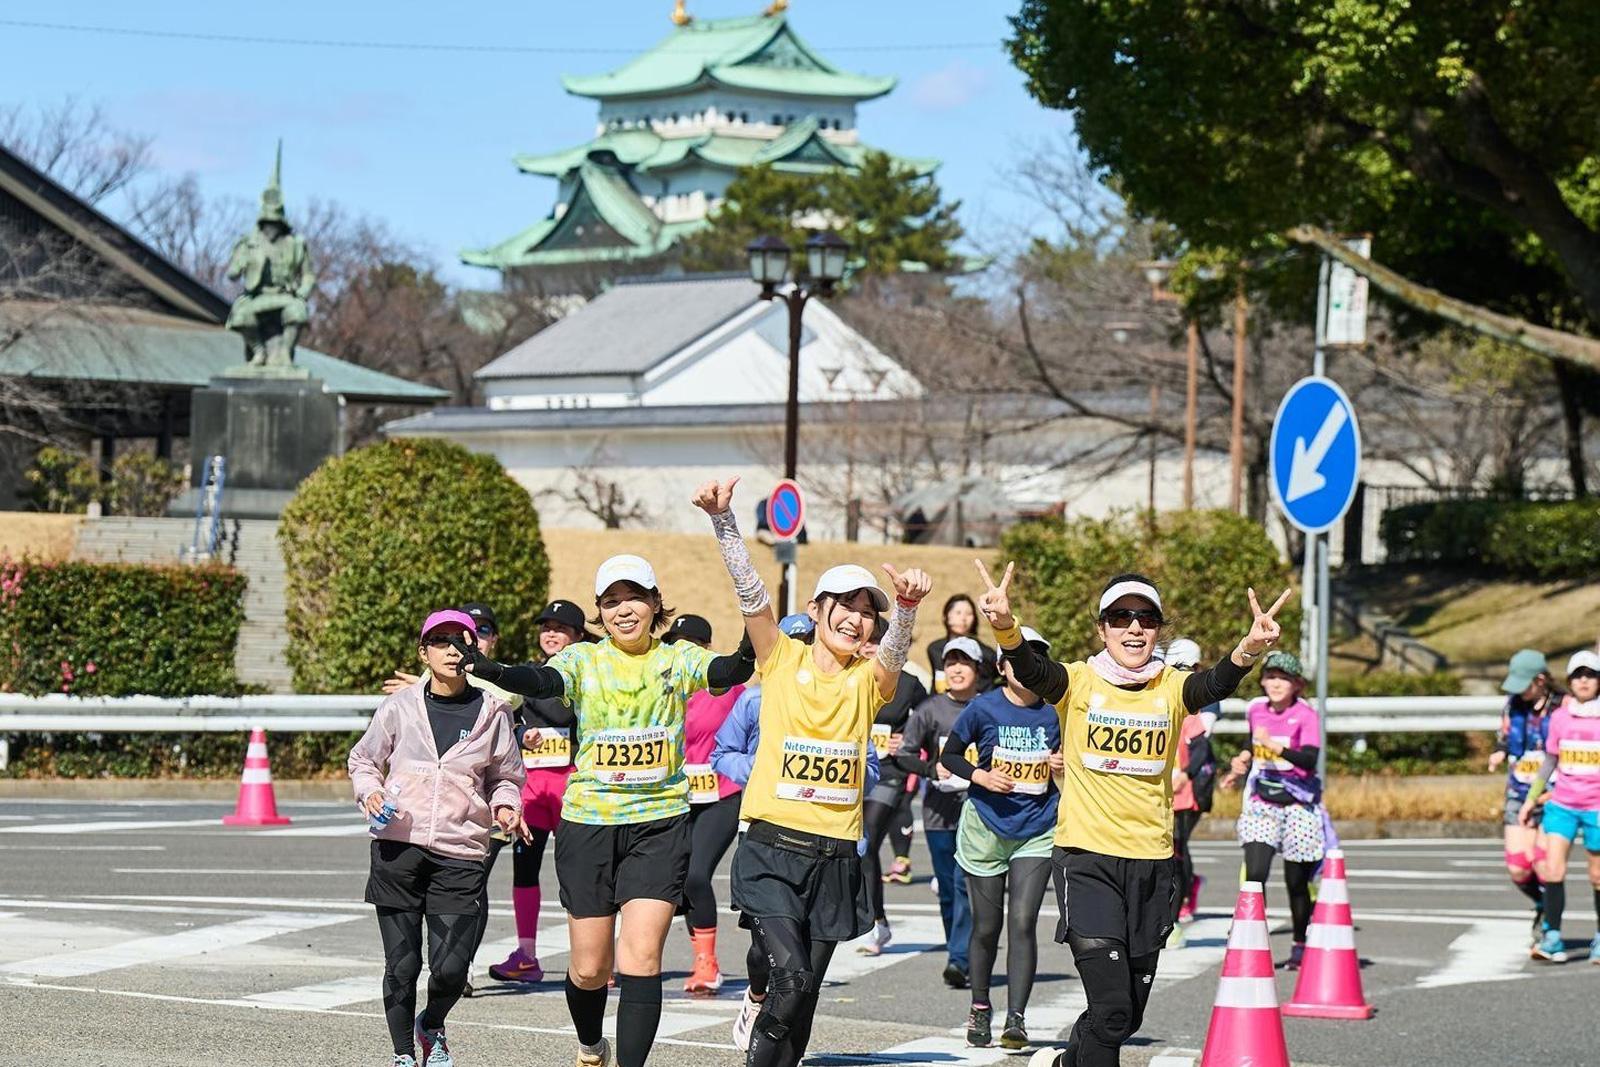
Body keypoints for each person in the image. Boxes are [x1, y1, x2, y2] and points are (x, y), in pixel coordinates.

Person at [972, 563, 1289, 1067]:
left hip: (1153, 865)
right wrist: (1007, 627)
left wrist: (1250, 647)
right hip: (1088, 862)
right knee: (1113, 1011)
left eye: (1146, 618)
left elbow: (1216, 684)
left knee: (1123, 1017)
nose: (1134, 627)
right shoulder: (1076, 682)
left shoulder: (1171, 687)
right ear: (1102, 629)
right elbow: (1032, 671)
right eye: (1120, 617)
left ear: (1159, 629)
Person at [451, 557, 756, 1067]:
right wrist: (489, 669)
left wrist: (752, 639)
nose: (623, 610)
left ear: (655, 603)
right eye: (610, 602)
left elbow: (728, 669)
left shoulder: (677, 658)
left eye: (633, 597)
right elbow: (540, 681)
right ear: (599, 613)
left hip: (659, 823)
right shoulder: (582, 661)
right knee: (590, 969)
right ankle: (592, 1045)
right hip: (589, 824)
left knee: (641, 959)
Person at [696, 475, 933, 1067]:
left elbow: (896, 655)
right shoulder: (781, 657)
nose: (856, 621)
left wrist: (903, 609)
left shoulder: (869, 680)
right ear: (816, 610)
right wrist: (725, 524)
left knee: (801, 1006)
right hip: (772, 847)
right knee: (793, 980)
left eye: (865, 614)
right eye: (845, 608)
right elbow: (751, 595)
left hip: (835, 856)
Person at [349, 609, 530, 1067]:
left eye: (461, 642)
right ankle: (403, 1055)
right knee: (403, 966)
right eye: (441, 641)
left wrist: (507, 804)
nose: (452, 650)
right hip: (398, 845)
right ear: (423, 652)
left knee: (450, 969)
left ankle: (431, 1025)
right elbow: (364, 759)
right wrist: (369, 793)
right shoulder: (400, 706)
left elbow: (506, 775)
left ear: (473, 651)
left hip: (460, 849)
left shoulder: (493, 712)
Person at [709, 614, 882, 1052]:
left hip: (835, 848)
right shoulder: (755, 700)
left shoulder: (854, 692)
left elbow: (872, 767)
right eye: (796, 642)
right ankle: (757, 997)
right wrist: (763, 768)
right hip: (771, 837)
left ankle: (780, 1039)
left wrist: (835, 776)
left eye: (808, 641)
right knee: (775, 963)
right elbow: (723, 753)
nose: (806, 651)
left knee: (804, 987)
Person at [941, 626, 1062, 1050]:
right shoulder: (983, 708)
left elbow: (1073, 773)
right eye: (1018, 659)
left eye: (1036, 659)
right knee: (986, 928)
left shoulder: (1056, 712)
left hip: (1037, 829)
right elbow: (949, 755)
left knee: (1023, 922)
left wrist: (1062, 767)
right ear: (1000, 666)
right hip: (986, 827)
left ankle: (1017, 1018)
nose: (1028, 667)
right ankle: (979, 1007)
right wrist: (981, 776)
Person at [1220, 651, 1327, 969]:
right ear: (1263, 680)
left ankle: (1299, 942)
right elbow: (1250, 745)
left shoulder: (1306, 715)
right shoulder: (1255, 710)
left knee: (1296, 881)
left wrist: (1277, 747)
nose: (1276, 684)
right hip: (1262, 802)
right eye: (1271, 677)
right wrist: (1240, 763)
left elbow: (1309, 760)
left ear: (1296, 684)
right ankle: (1254, 942)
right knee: (1254, 874)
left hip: (1298, 804)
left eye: (1284, 678)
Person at [890, 637, 983, 988]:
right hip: (938, 812)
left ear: (977, 670)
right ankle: (958, 952)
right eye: (951, 663)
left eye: (965, 663)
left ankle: (960, 958)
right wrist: (932, 771)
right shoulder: (930, 710)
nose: (957, 670)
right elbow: (905, 754)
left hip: (978, 810)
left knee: (964, 883)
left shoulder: (987, 708)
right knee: (947, 887)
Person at [666, 613, 748, 995]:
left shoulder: (728, 688)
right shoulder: (664, 686)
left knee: (697, 874)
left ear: (705, 648)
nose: (680, 650)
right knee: (676, 877)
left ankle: (708, 964)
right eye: (674, 643)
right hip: (677, 794)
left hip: (721, 793)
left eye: (688, 644)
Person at [1518, 650, 1600, 964]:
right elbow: (1549, 760)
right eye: (1578, 675)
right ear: (1569, 681)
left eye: (1590, 675)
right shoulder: (1560, 718)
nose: (1583, 681)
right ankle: (1552, 936)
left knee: (1597, 876)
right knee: (1552, 869)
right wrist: (1531, 798)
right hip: (1563, 803)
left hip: (1596, 807)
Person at [859, 618, 929, 952]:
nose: (870, 646)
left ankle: (876, 923)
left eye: (877, 640)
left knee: (867, 840)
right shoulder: (849, 678)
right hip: (849, 773)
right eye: (866, 640)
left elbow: (929, 725)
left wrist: (908, 741)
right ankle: (866, 917)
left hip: (890, 773)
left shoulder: (911, 684)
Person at [1489, 648, 1559, 943]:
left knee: (1545, 864)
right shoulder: (1513, 706)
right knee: (1518, 867)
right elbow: (1505, 740)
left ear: (1541, 680)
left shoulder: (1561, 709)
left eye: (1525, 684)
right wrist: (1499, 753)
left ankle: (1550, 924)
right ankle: (1542, 904)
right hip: (1519, 791)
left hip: (1555, 793)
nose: (1520, 691)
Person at [1160, 638, 1214, 925]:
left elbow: (1201, 748)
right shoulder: (1164, 698)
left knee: (1179, 846)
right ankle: (1177, 894)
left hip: (1188, 787)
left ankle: (1182, 898)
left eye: (1185, 668)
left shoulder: (1201, 700)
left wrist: (1185, 775)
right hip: (1165, 788)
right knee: (1171, 846)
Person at [927, 593, 998, 692]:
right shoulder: (935, 649)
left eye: (969, 614)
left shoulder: (987, 654)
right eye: (958, 613)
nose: (963, 618)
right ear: (946, 616)